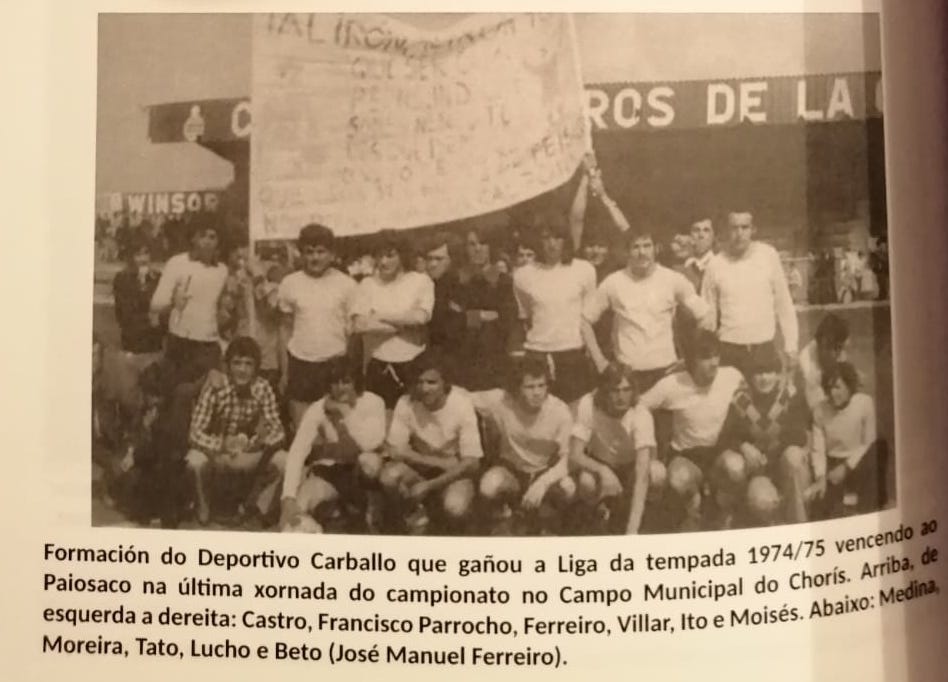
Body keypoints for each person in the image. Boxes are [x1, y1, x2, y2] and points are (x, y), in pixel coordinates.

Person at [638, 331, 745, 531]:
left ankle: (722, 510)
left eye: (716, 355)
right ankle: (693, 509)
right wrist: (651, 449)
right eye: (706, 357)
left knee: (736, 466)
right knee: (678, 478)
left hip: (718, 455)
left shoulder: (731, 376)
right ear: (691, 361)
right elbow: (640, 406)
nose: (714, 363)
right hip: (687, 456)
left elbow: (755, 397)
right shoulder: (673, 383)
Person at [583, 227, 709, 393]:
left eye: (647, 245)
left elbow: (704, 315)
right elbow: (584, 320)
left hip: (667, 371)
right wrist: (600, 361)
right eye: (635, 247)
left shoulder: (673, 279)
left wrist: (691, 358)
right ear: (627, 251)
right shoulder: (613, 282)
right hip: (629, 375)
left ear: (656, 248)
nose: (642, 252)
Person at [185, 337, 286, 525]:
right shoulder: (216, 387)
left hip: (249, 453)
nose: (242, 370)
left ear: (256, 368)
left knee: (283, 461)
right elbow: (195, 432)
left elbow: (278, 430)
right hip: (218, 453)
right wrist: (220, 445)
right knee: (194, 461)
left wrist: (256, 446)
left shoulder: (263, 387)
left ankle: (256, 507)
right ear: (228, 366)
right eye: (237, 363)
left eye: (248, 364)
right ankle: (203, 505)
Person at [277, 361, 386, 532]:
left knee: (368, 461)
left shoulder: (373, 402)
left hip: (365, 473)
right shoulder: (318, 408)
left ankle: (371, 508)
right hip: (336, 471)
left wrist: (345, 411)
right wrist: (288, 496)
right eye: (335, 382)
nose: (340, 388)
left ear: (356, 383)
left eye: (346, 382)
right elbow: (298, 451)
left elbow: (370, 443)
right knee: (300, 504)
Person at [381, 350, 481, 533]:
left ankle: (447, 526)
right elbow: (396, 451)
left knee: (455, 506)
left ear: (445, 383)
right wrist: (444, 463)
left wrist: (429, 485)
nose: (424, 388)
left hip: (453, 475)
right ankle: (414, 513)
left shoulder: (461, 403)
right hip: (426, 469)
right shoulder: (406, 401)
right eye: (419, 382)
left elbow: (472, 463)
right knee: (389, 476)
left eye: (431, 382)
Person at [472, 357, 576, 533]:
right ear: (517, 388)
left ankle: (548, 520)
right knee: (488, 486)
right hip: (512, 470)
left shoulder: (559, 411)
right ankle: (509, 513)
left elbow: (568, 459)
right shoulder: (500, 400)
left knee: (569, 488)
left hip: (544, 470)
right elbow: (462, 397)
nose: (537, 393)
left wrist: (543, 483)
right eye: (529, 387)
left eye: (541, 385)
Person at [718, 345, 810, 526]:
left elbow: (799, 436)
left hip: (785, 470)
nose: (764, 378)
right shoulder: (741, 400)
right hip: (758, 474)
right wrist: (744, 446)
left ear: (778, 374)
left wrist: (770, 451)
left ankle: (799, 525)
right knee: (762, 501)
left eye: (769, 371)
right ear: (750, 376)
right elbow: (725, 438)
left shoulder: (790, 396)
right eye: (758, 372)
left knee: (794, 456)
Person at [701, 211, 799, 377]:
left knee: (767, 393)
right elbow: (707, 316)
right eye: (734, 228)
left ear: (753, 229)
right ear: (726, 230)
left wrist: (791, 346)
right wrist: (708, 354)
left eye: (744, 227)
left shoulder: (768, 255)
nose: (739, 233)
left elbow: (784, 304)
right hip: (729, 349)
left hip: (764, 348)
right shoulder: (715, 264)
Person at [277, 224, 357, 427]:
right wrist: (285, 371)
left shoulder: (347, 284)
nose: (315, 258)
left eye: (321, 252)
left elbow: (353, 334)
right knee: (303, 430)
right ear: (301, 253)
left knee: (335, 431)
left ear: (332, 254)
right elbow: (284, 329)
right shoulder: (290, 283)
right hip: (300, 365)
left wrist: (348, 373)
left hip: (335, 365)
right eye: (309, 252)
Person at [513, 217, 597, 403]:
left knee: (575, 410)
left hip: (572, 354)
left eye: (558, 237)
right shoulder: (523, 275)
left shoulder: (584, 270)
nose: (552, 244)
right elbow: (526, 315)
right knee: (538, 411)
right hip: (537, 354)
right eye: (546, 238)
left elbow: (587, 317)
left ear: (566, 240)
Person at [569, 363, 660, 534]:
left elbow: (642, 474)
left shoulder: (641, 414)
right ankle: (596, 515)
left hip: (631, 467)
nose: (621, 397)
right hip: (601, 462)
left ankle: (642, 517)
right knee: (586, 482)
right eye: (614, 390)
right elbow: (575, 454)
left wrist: (632, 531)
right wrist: (602, 470)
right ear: (604, 391)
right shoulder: (589, 404)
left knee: (657, 473)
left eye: (626, 390)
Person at [351, 232, 435, 409]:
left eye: (390, 255)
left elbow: (420, 317)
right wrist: (400, 327)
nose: (383, 262)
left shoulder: (420, 281)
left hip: (413, 362)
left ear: (402, 255)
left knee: (415, 416)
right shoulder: (367, 284)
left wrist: (380, 316)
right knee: (379, 416)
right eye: (379, 256)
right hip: (377, 363)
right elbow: (359, 325)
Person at [150, 219, 229, 385]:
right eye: (202, 236)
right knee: (178, 393)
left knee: (209, 393)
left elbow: (220, 308)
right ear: (193, 238)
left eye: (212, 237)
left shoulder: (222, 270)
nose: (207, 241)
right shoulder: (177, 263)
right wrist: (174, 302)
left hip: (209, 344)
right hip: (180, 342)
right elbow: (156, 304)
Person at [807, 362, 887, 517]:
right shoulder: (820, 410)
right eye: (829, 388)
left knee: (878, 448)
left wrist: (846, 467)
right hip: (832, 465)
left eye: (837, 387)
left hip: (858, 461)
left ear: (850, 387)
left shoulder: (865, 403)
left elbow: (868, 442)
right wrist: (821, 477)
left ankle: (868, 509)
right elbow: (818, 449)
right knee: (826, 509)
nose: (832, 393)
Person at [453, 228, 517, 390]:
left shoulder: (503, 282)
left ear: (491, 247)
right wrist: (479, 316)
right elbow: (452, 320)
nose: (477, 248)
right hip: (463, 360)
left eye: (482, 243)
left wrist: (466, 316)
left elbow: (507, 320)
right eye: (472, 244)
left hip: (494, 360)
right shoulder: (458, 281)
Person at [112, 237, 163, 419]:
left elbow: (163, 313)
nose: (143, 259)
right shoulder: (122, 279)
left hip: (153, 348)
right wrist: (150, 318)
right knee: (129, 401)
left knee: (154, 399)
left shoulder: (158, 279)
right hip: (131, 349)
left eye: (146, 253)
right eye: (138, 254)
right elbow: (125, 315)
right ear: (131, 257)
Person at [797, 313, 850, 411]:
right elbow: (816, 404)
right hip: (814, 403)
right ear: (819, 341)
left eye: (838, 347)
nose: (835, 353)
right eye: (827, 346)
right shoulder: (806, 360)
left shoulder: (839, 352)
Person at [681, 218, 715, 291]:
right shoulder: (684, 267)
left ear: (713, 236)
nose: (701, 235)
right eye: (696, 230)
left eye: (706, 230)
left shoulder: (719, 265)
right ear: (690, 236)